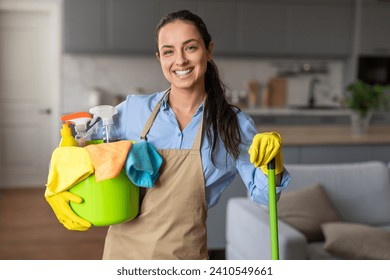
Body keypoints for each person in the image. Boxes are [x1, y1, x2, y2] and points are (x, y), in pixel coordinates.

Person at [48, 9, 291, 260]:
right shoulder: (133, 111)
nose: (180, 60)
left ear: (208, 50)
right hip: (123, 256)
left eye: (190, 48)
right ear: (159, 58)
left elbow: (265, 197)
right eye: (168, 51)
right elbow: (78, 145)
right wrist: (56, 179)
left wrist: (273, 164)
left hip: (185, 258)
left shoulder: (233, 125)